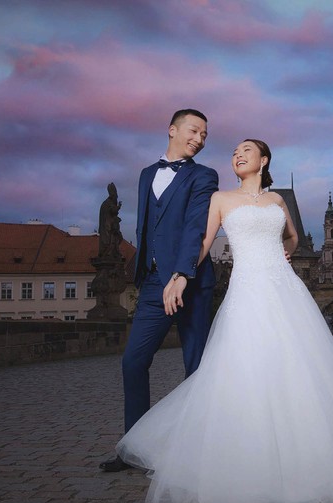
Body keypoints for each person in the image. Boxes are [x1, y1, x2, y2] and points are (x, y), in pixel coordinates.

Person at [114, 139, 333, 503]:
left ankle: (305, 459)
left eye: (246, 150)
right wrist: (181, 275)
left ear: (263, 160)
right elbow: (202, 242)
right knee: (244, 368)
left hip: (285, 289)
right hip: (247, 289)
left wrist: (286, 248)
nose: (238, 155)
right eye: (235, 151)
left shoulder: (277, 201)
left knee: (298, 369)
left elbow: (294, 237)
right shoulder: (220, 199)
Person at [99, 109, 219, 473]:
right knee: (133, 361)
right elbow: (149, 225)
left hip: (192, 284)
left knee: (196, 368)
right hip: (153, 283)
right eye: (194, 130)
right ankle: (133, 450)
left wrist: (183, 273)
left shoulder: (204, 175)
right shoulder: (146, 174)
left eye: (204, 134)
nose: (200, 138)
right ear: (172, 129)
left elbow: (196, 227)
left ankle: (198, 451)